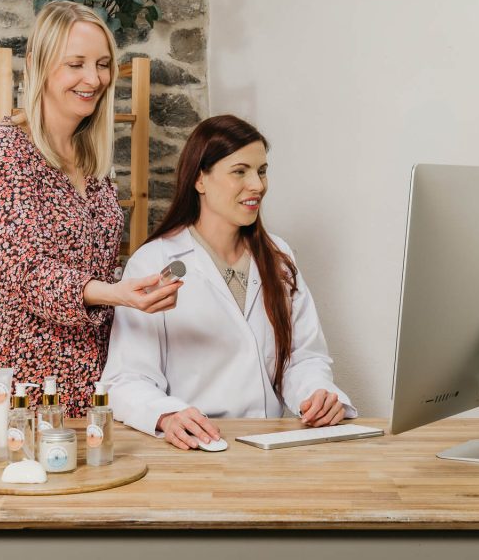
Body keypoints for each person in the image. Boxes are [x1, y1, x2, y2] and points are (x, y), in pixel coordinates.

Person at [0, 1, 182, 418]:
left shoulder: (91, 161)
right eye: (76, 64)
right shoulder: (3, 148)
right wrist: (113, 294)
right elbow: (16, 271)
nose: (93, 79)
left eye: (102, 64)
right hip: (22, 377)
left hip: (92, 376)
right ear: (38, 64)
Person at [101, 115, 356, 449]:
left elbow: (303, 358)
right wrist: (166, 415)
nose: (258, 185)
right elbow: (126, 378)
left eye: (262, 171)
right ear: (200, 180)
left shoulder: (278, 256)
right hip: (197, 448)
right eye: (240, 171)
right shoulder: (153, 263)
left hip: (271, 447)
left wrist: (316, 394)